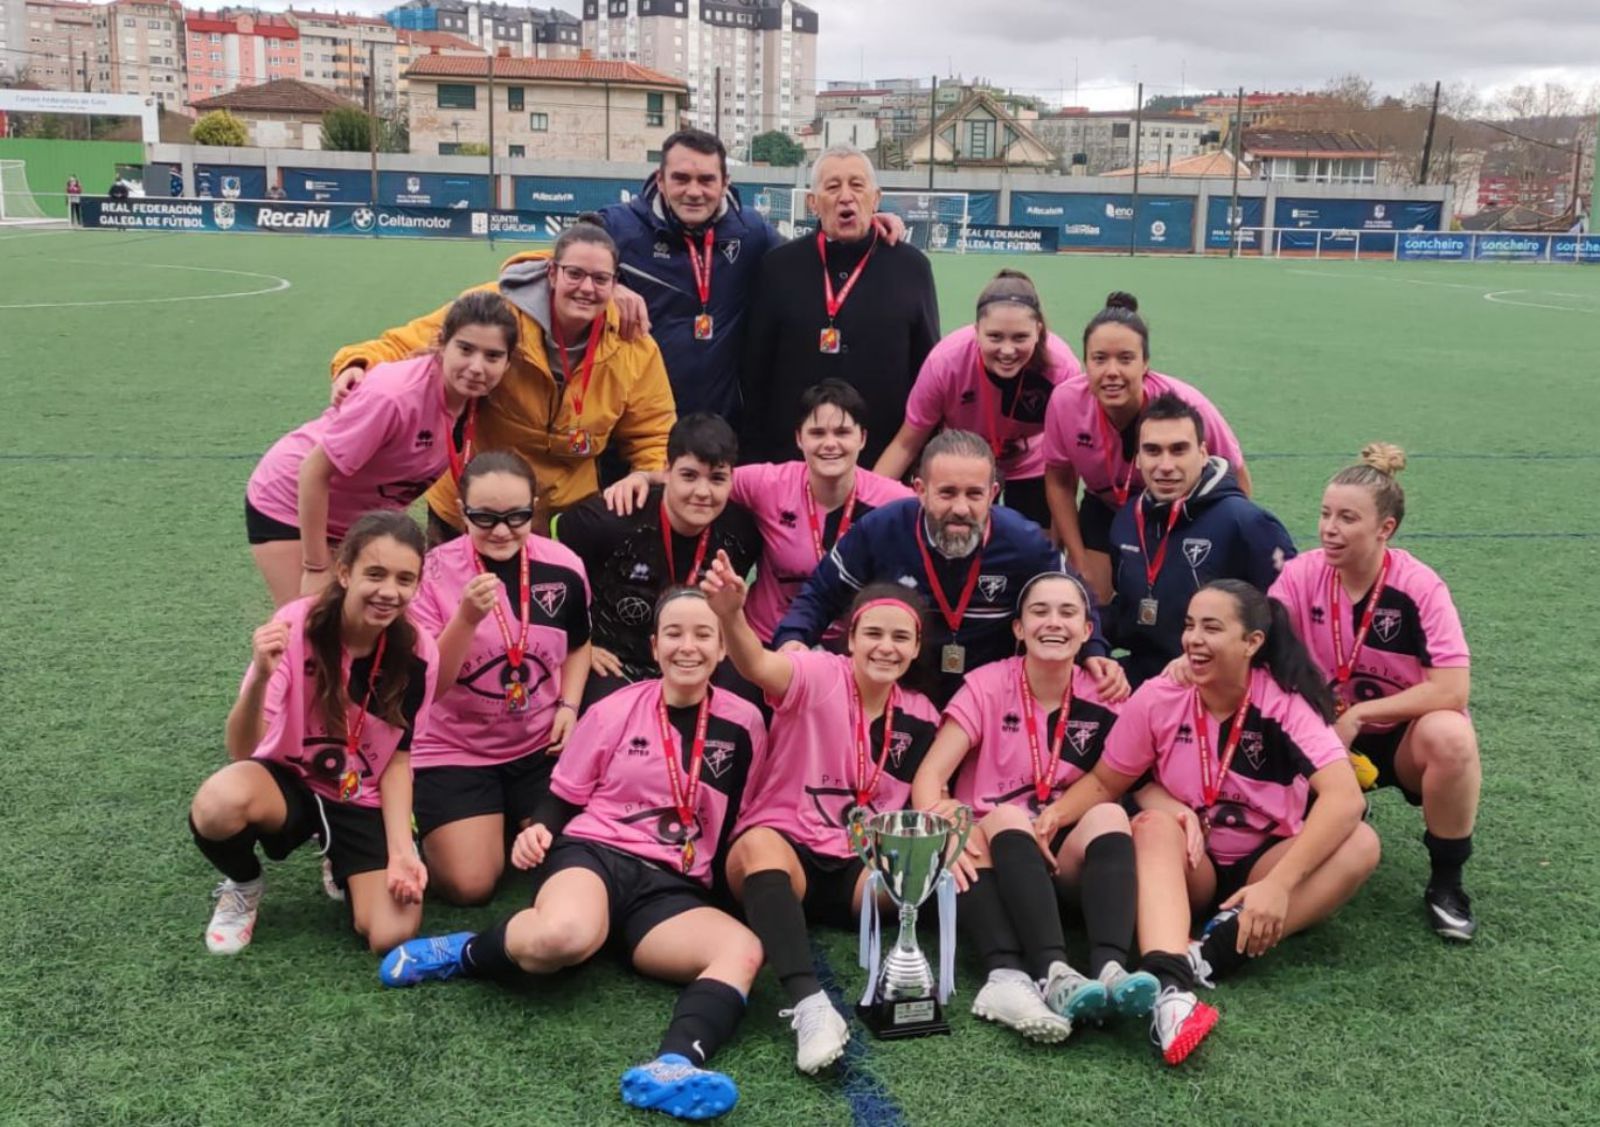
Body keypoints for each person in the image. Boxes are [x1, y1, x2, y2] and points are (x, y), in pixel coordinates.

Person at [379, 589, 767, 1123]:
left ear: (723, 649)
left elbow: (739, 817)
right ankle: (465, 951)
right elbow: (564, 793)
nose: (688, 646)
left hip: (671, 887)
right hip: (597, 856)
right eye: (674, 633)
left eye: (704, 634)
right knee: (559, 940)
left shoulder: (746, 723)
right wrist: (538, 830)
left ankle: (673, 1065)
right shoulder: (614, 708)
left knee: (743, 949)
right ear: (654, 646)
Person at [1036, 580, 1379, 1064]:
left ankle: (1208, 955)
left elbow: (1344, 799)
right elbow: (1109, 780)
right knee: (1153, 824)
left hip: (1265, 858)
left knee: (1361, 843)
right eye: (1190, 625)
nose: (1193, 639)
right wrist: (1054, 815)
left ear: (1252, 643)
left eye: (1211, 628)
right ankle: (1172, 986)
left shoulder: (1283, 702)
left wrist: (1278, 884)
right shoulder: (1160, 694)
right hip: (1194, 864)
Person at [701, 560, 938, 1073]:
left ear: (917, 648)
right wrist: (731, 618)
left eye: (901, 637)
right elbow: (757, 666)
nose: (886, 647)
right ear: (849, 638)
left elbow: (927, 797)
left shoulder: (921, 713)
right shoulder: (815, 672)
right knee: (758, 845)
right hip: (788, 852)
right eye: (872, 633)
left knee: (929, 880)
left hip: (860, 866)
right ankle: (810, 1006)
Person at [911, 573, 1155, 1044]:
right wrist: (942, 824)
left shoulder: (1106, 694)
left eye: (1068, 613)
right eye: (1039, 612)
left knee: (1110, 815)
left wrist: (1061, 814)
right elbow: (930, 775)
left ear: (1088, 631)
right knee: (1004, 814)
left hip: (1059, 852)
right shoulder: (985, 685)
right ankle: (1052, 971)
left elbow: (1115, 780)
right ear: (1018, 628)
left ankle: (1109, 969)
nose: (1053, 623)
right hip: (992, 852)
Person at [187, 512, 438, 956]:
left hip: (360, 792)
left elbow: (399, 758)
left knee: (390, 934)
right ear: (344, 572)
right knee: (217, 804)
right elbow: (241, 750)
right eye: (375, 574)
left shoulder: (418, 652)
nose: (388, 592)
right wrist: (261, 678)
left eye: (405, 579)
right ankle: (244, 886)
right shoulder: (296, 627)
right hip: (291, 781)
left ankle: (340, 857)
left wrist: (402, 851)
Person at [327, 223, 677, 532]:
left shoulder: (635, 345)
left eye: (601, 279)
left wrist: (644, 473)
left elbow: (655, 430)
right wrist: (358, 363)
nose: (587, 288)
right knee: (448, 603)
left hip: (562, 516)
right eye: (574, 274)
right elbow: (410, 341)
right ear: (552, 273)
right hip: (473, 503)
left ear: (616, 284)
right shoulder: (498, 308)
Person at [1269, 444, 1480, 941]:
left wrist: (1361, 714)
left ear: (1385, 529)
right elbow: (1264, 638)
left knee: (1451, 737)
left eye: (1347, 518)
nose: (1329, 529)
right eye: (1325, 514)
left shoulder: (1419, 587)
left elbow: (1452, 689)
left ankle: (1446, 883)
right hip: (1323, 730)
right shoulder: (1302, 574)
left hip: (1398, 735)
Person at [774, 429, 1127, 708]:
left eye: (974, 495)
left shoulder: (1022, 541)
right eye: (947, 493)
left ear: (992, 494)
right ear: (920, 490)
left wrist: (1094, 651)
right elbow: (818, 596)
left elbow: (1077, 598)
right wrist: (792, 641)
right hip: (894, 688)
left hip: (985, 700)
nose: (961, 508)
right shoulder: (880, 530)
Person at [246, 292, 518, 606]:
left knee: (368, 626)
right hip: (289, 503)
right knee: (309, 626)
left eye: (493, 356)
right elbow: (313, 470)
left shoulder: (474, 402)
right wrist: (316, 567)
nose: (476, 367)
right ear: (442, 344)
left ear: (508, 362)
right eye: (465, 349)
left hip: (355, 518)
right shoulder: (395, 396)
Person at [407, 452, 593, 905]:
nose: (503, 530)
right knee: (469, 886)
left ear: (534, 505)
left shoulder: (564, 565)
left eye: (517, 516)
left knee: (568, 860)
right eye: (485, 517)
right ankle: (454, 821)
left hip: (536, 745)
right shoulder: (430, 574)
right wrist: (466, 619)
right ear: (460, 509)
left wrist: (569, 706)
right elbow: (433, 686)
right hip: (454, 748)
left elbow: (578, 643)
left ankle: (505, 816)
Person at [606, 379, 912, 644]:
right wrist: (643, 476)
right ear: (799, 438)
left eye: (843, 432)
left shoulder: (894, 502)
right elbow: (706, 478)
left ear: (862, 438)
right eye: (817, 432)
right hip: (765, 641)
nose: (830, 444)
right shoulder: (768, 483)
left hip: (848, 649)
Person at [1043, 292, 1250, 604]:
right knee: (1087, 601)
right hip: (1105, 506)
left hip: (1177, 515)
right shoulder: (1065, 401)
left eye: (1125, 359)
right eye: (1099, 359)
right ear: (1085, 362)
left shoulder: (1184, 404)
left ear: (1145, 364)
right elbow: (1058, 480)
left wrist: (1230, 545)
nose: (1112, 371)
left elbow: (1237, 475)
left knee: (1180, 606)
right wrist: (1078, 557)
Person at [741, 144, 940, 466]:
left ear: (875, 199)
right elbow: (754, 373)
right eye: (832, 187)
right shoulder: (778, 267)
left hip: (884, 462)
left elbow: (928, 373)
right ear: (812, 202)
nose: (846, 196)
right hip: (792, 462)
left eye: (857, 185)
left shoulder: (912, 267)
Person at [556, 413, 760, 705]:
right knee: (608, 712)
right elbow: (545, 567)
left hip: (696, 658)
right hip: (617, 662)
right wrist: (577, 646)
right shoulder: (611, 518)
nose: (703, 492)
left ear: (732, 480)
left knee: (750, 693)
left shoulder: (741, 534)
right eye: (689, 476)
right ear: (665, 471)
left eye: (717, 478)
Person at [1107, 393, 1295, 687]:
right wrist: (1089, 645)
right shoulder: (1128, 518)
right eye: (1153, 451)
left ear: (1203, 453)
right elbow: (1126, 607)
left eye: (1179, 450)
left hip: (1218, 683)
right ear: (1139, 459)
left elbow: (1286, 616)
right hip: (1144, 678)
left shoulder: (1246, 522)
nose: (1165, 465)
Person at [875, 269, 1082, 529]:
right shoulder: (945, 363)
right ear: (977, 330)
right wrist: (863, 508)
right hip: (965, 464)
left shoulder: (1061, 368)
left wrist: (1058, 535)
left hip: (1034, 468)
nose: (1007, 350)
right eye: (994, 337)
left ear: (1039, 331)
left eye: (1020, 337)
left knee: (1034, 553)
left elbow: (1067, 462)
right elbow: (907, 444)